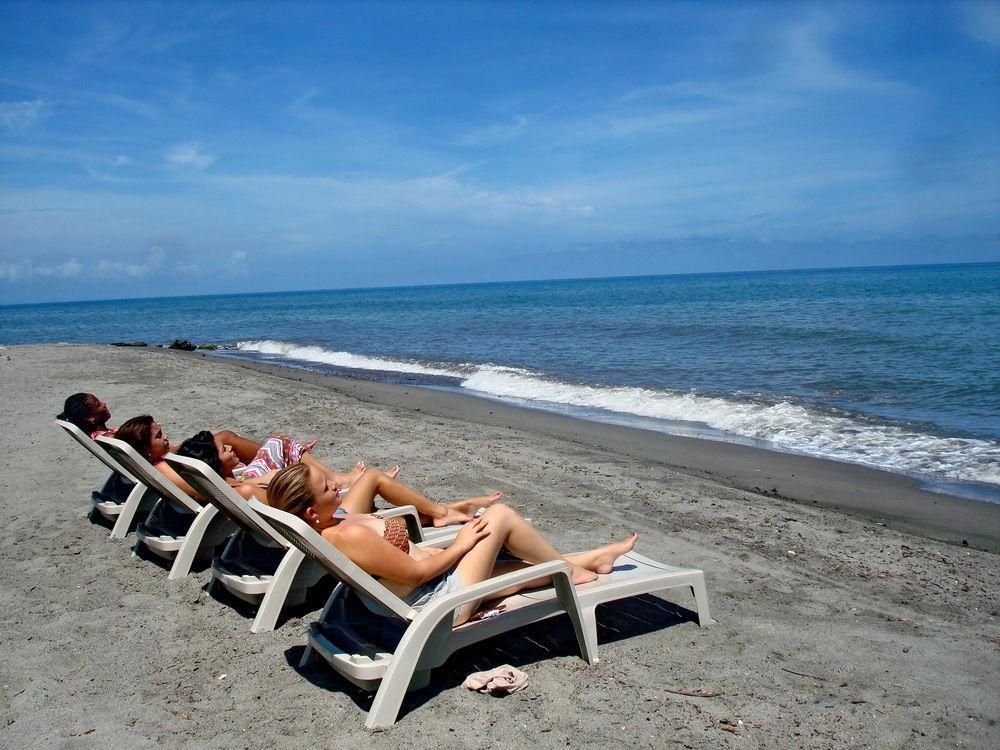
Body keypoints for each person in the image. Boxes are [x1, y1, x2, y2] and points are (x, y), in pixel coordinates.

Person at [267, 463, 638, 626]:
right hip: (438, 603)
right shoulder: (347, 536)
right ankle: (570, 569)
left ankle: (595, 557)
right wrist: (460, 544)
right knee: (502, 516)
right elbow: (416, 574)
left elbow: (408, 561)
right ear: (312, 512)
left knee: (525, 570)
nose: (337, 484)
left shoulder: (337, 520)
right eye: (327, 486)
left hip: (435, 584)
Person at [177, 430, 496, 527]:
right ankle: (442, 513)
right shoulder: (249, 488)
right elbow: (298, 507)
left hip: (317, 518)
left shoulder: (227, 490)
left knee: (374, 482)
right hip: (328, 522)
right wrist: (336, 490)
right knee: (374, 480)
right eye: (222, 449)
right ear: (212, 463)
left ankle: (450, 507)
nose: (230, 446)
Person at [115, 417, 369, 503]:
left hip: (238, 484)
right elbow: (219, 491)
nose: (166, 436)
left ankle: (296, 455)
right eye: (159, 435)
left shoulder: (162, 463)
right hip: (248, 486)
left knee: (276, 445)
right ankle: (335, 479)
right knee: (280, 442)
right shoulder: (170, 470)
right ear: (147, 449)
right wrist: (243, 474)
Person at [57, 392, 261, 462]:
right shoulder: (112, 439)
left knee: (223, 437)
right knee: (226, 437)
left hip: (165, 457)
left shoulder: (103, 437)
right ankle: (280, 462)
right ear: (91, 418)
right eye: (99, 404)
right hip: (174, 461)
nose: (104, 404)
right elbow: (150, 451)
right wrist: (179, 447)